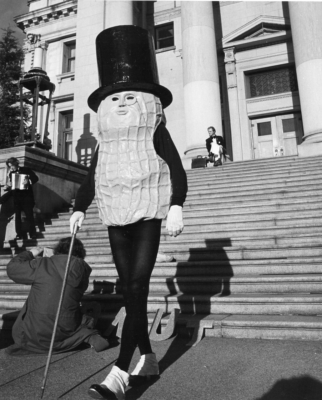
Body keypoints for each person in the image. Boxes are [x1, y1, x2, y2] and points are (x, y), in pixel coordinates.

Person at [69, 25, 188, 400]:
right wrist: (78, 207)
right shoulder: (106, 142)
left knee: (136, 287)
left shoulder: (155, 132)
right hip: (115, 214)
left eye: (129, 96)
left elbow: (177, 169)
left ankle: (119, 372)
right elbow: (93, 175)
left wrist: (175, 206)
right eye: (114, 97)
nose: (121, 102)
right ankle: (149, 359)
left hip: (149, 213)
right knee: (132, 292)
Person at [6, 237, 109, 355]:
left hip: (33, 333)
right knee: (92, 307)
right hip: (66, 329)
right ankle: (86, 336)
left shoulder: (43, 264)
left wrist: (30, 253)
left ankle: (83, 336)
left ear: (57, 250)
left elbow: (12, 269)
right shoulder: (83, 271)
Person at [3, 157, 38, 239]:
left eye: (12, 166)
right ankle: (19, 234)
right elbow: (13, 186)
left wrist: (28, 180)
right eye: (10, 166)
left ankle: (32, 233)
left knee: (29, 215)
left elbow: (36, 178)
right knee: (17, 217)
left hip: (27, 197)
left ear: (16, 163)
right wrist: (9, 186)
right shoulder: (11, 174)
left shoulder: (26, 170)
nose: (11, 168)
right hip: (17, 198)